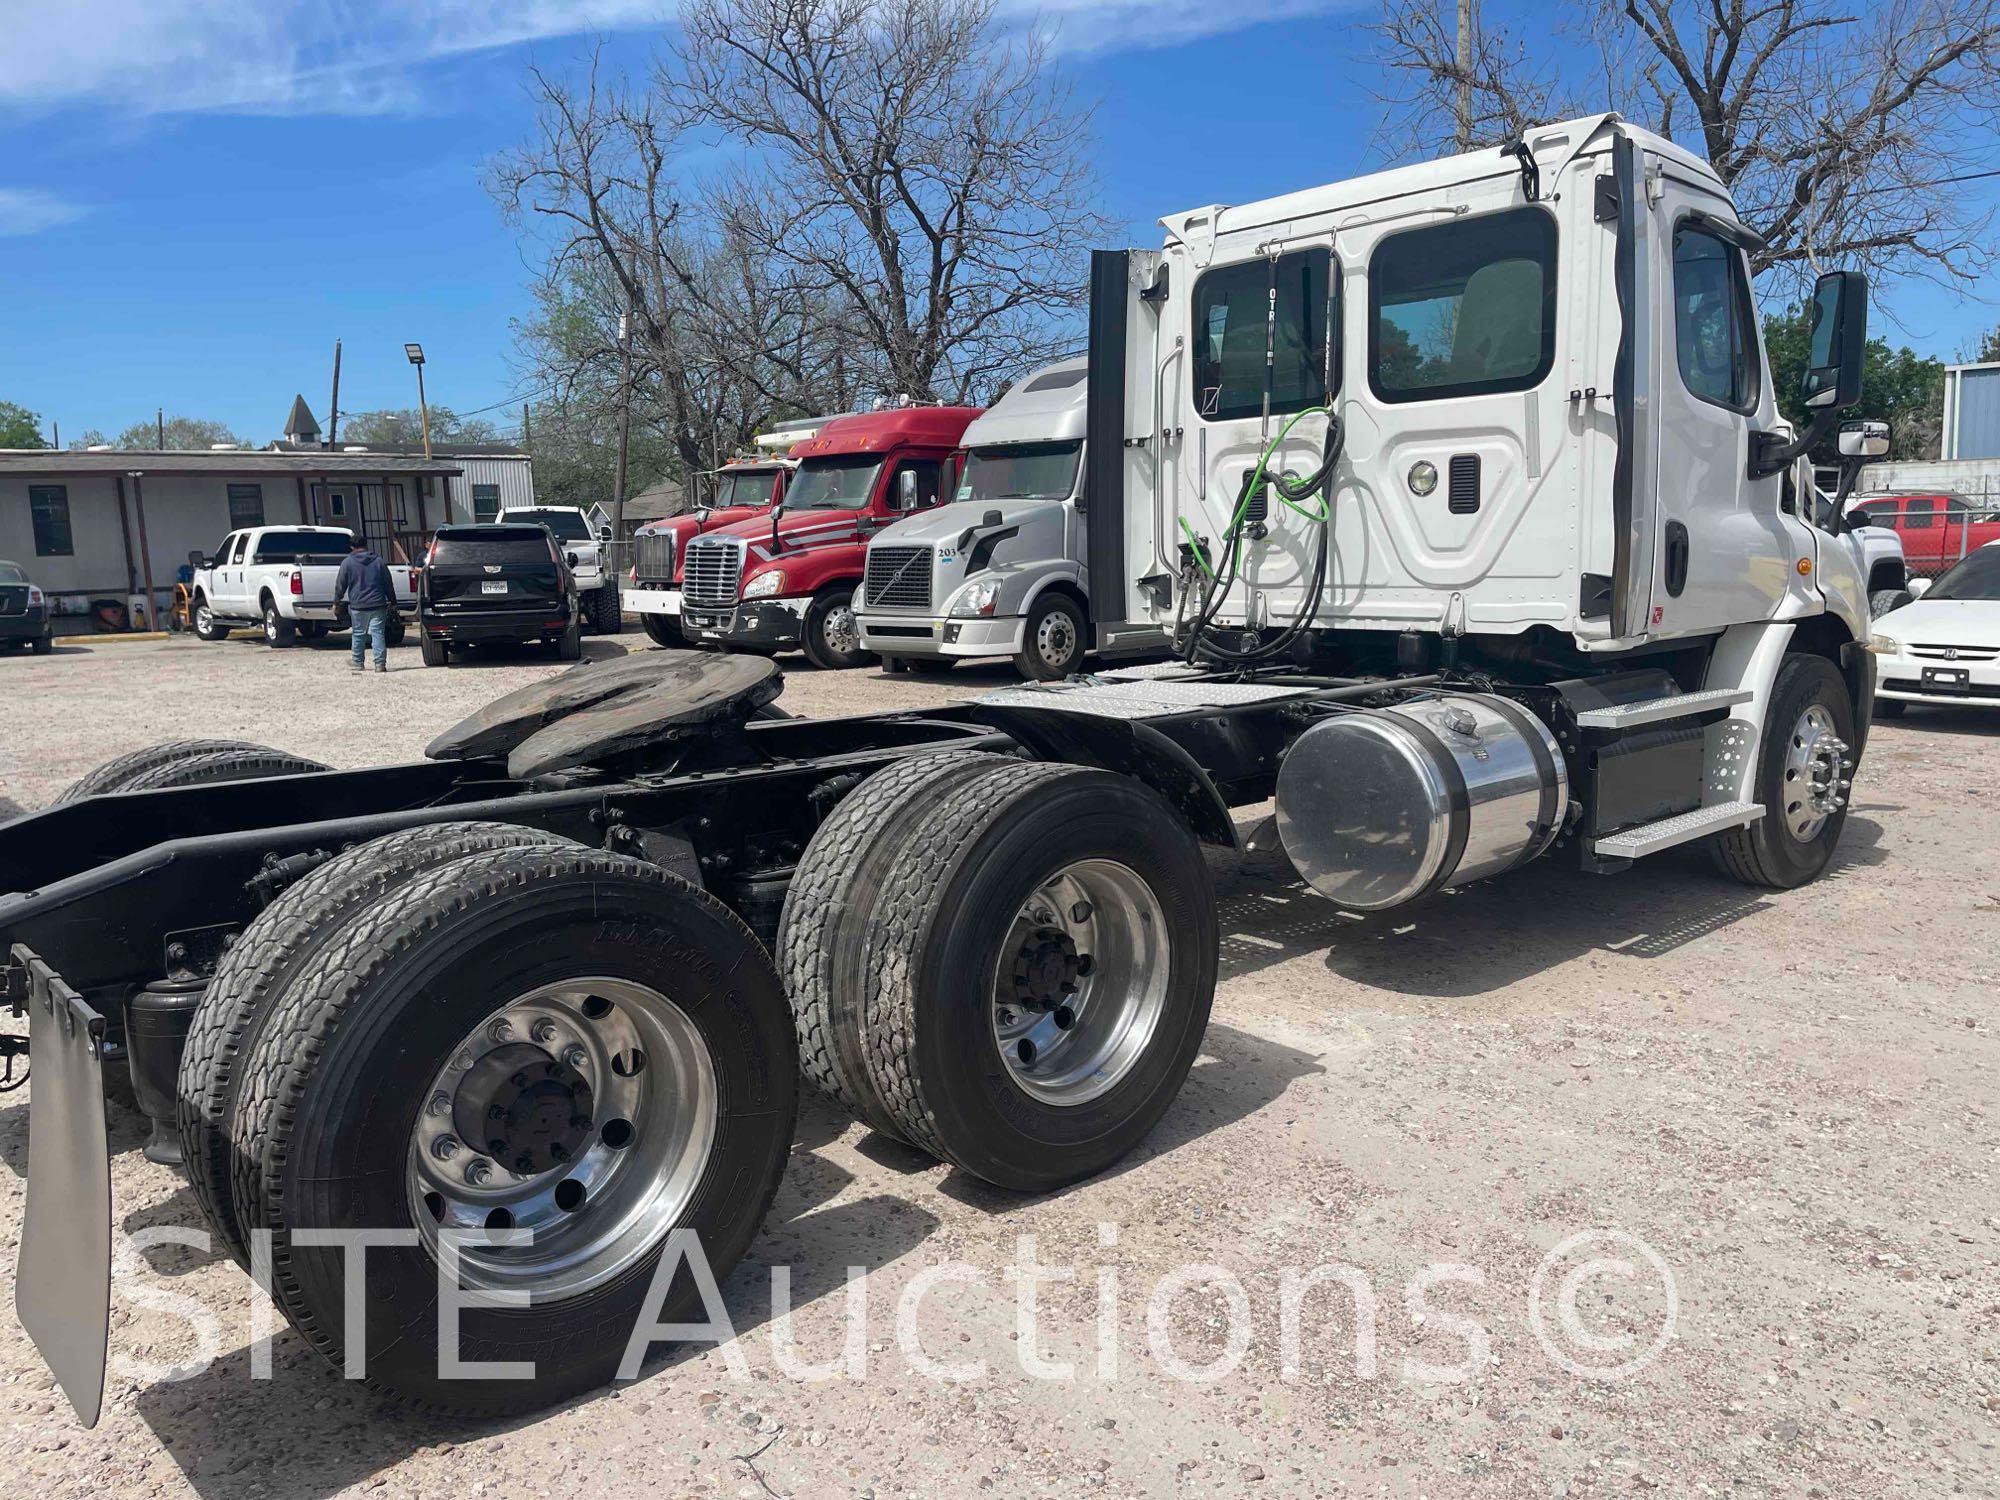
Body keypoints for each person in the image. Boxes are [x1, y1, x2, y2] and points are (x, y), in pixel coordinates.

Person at [334, 533, 397, 674]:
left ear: (351, 546)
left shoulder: (347, 562)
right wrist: (393, 601)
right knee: (378, 633)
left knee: (358, 633)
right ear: (366, 545)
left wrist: (336, 602)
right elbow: (388, 584)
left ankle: (358, 662)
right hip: (377, 603)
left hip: (358, 604)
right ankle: (380, 664)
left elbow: (340, 585)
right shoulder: (378, 561)